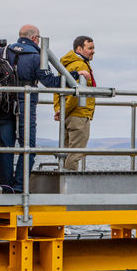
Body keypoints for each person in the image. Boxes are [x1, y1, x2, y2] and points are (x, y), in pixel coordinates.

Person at [0, 25, 66, 192]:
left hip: (2, 104)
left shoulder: (3, 52)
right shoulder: (36, 57)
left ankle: (7, 188)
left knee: (5, 148)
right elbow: (50, 83)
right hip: (25, 106)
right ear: (34, 38)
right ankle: (20, 187)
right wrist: (74, 76)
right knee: (28, 147)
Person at [54, 36, 96, 171]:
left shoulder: (66, 65)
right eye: (90, 48)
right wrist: (64, 110)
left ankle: (63, 183)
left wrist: (59, 110)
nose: (93, 51)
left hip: (68, 115)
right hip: (79, 114)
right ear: (79, 49)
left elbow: (57, 91)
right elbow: (77, 94)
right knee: (75, 153)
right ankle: (69, 185)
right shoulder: (81, 66)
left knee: (67, 151)